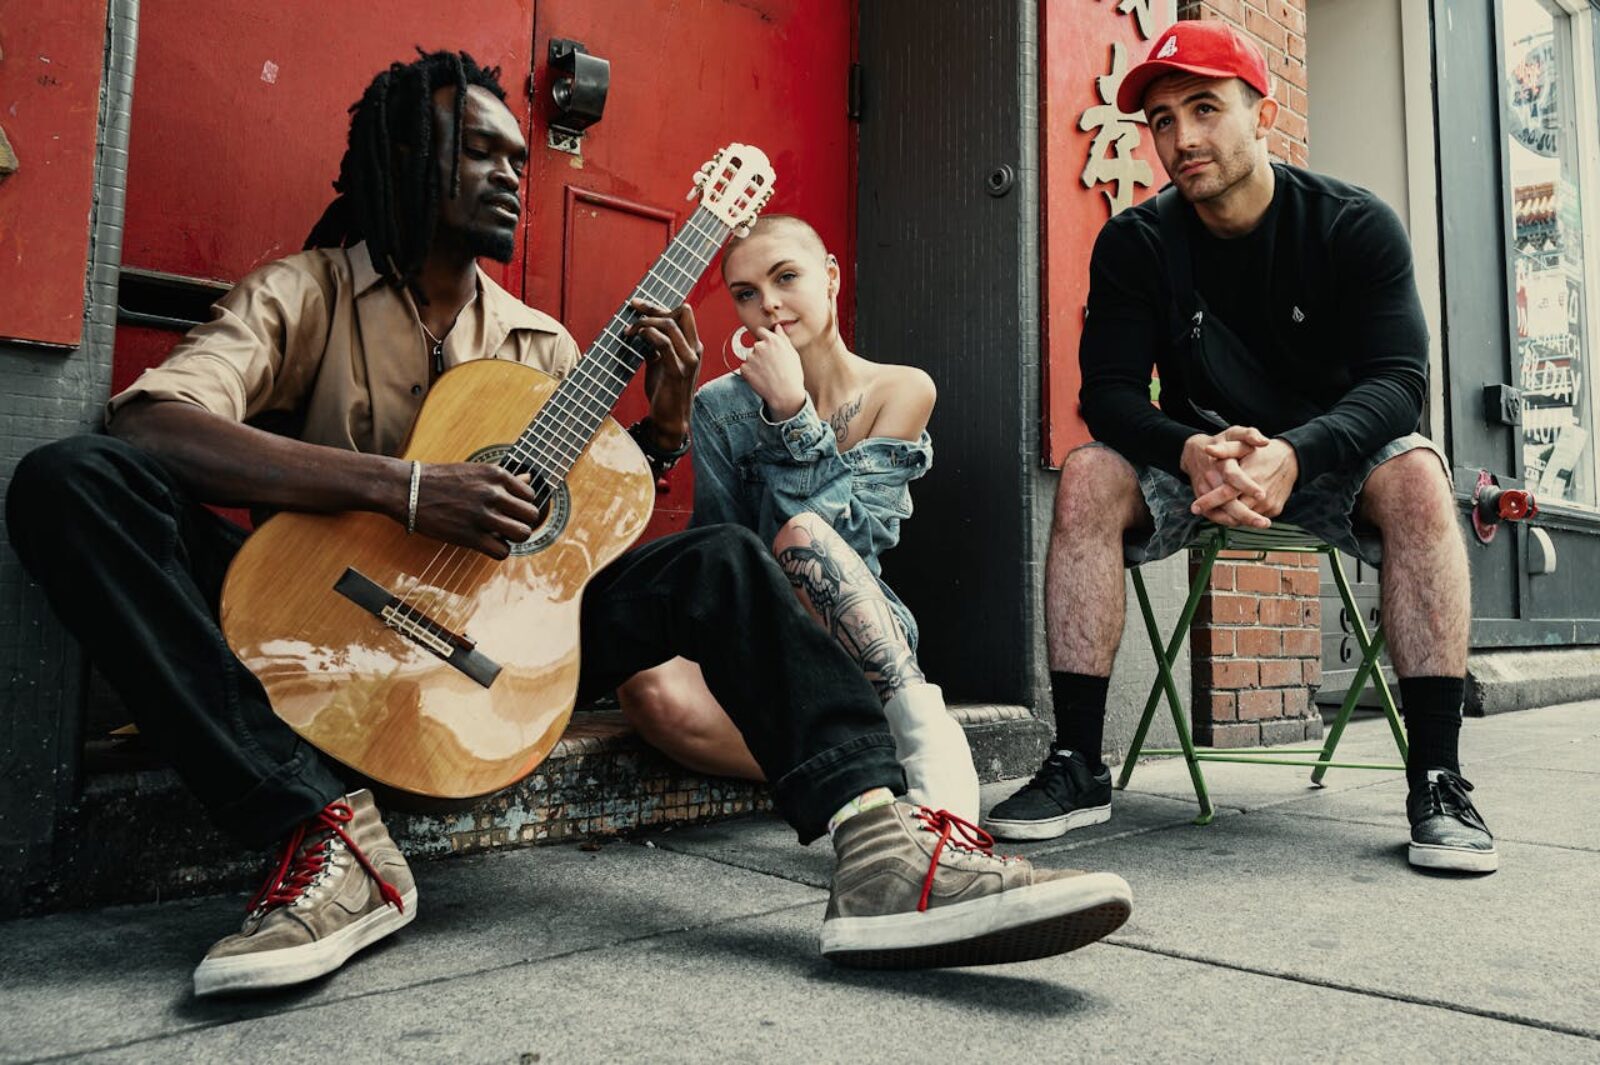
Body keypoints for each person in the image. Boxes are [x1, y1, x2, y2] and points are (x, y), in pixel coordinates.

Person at [4, 50, 1132, 995]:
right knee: (68, 481)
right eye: (480, 153)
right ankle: (321, 837)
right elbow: (153, 423)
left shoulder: (539, 342)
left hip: (486, 654)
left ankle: (882, 846)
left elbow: (577, 535)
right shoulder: (302, 291)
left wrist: (666, 427)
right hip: (313, 632)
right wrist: (402, 490)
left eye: (516, 155)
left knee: (723, 562)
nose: (511, 175)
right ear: (403, 160)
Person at [983, 22, 1496, 875]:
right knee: (1086, 474)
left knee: (1418, 477)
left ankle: (1437, 775)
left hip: (1334, 457)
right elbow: (1106, 394)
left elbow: (1400, 382)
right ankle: (1078, 761)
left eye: (1205, 108)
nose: (1182, 137)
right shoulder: (1136, 243)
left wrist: (1294, 451)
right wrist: (1189, 450)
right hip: (1203, 463)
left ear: (1260, 114)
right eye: (1161, 120)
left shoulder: (1354, 224)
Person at [616, 215, 981, 821]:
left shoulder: (902, 390)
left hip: (857, 641)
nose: (770, 305)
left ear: (831, 276)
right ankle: (866, 767)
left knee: (806, 536)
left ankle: (930, 756)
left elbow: (852, 542)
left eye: (787, 277)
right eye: (746, 293)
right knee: (650, 690)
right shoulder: (719, 407)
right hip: (760, 645)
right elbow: (723, 543)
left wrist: (792, 414)